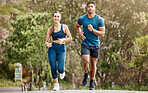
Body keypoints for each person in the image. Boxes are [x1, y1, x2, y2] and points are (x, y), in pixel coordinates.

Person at [75, 1, 105, 90]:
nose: (90, 8)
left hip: (95, 45)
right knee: (86, 61)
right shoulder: (82, 19)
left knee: (93, 64)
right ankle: (85, 75)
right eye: (89, 6)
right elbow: (77, 26)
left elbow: (102, 33)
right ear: (87, 8)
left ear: (95, 8)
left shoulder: (99, 20)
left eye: (92, 6)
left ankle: (92, 82)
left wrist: (93, 30)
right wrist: (80, 34)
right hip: (85, 44)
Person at [45, 11, 72, 91]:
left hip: (61, 49)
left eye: (58, 16)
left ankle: (62, 71)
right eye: (55, 16)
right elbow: (46, 41)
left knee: (60, 69)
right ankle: (56, 85)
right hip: (52, 49)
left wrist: (63, 39)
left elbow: (70, 38)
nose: (56, 18)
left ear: (60, 18)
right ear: (53, 17)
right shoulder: (50, 29)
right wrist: (47, 44)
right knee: (53, 67)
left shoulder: (64, 27)